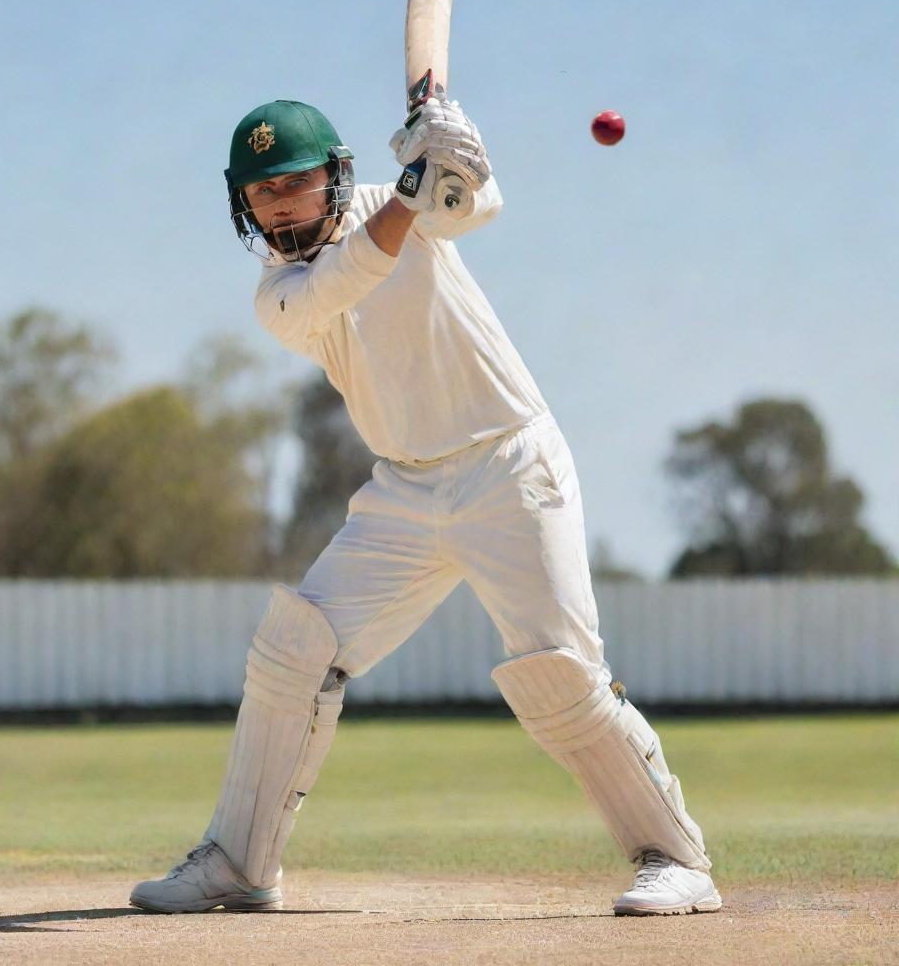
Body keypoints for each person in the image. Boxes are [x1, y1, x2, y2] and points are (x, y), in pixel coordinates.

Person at [130, 97, 722, 917]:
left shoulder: (398, 200)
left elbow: (477, 205)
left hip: (509, 463)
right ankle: (239, 862)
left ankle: (676, 859)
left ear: (336, 175)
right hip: (404, 488)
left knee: (559, 673)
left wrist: (456, 153)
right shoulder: (280, 293)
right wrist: (416, 189)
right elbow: (353, 274)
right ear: (242, 204)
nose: (284, 205)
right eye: (264, 193)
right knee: (294, 649)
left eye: (298, 183)